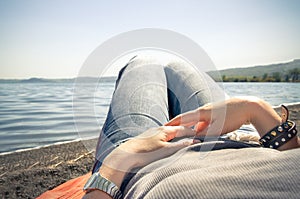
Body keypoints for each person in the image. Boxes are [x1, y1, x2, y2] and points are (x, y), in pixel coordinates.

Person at [83, 55, 300, 199]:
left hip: (138, 167)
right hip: (246, 139)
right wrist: (254, 109)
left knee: (143, 63)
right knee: (179, 67)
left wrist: (122, 156)